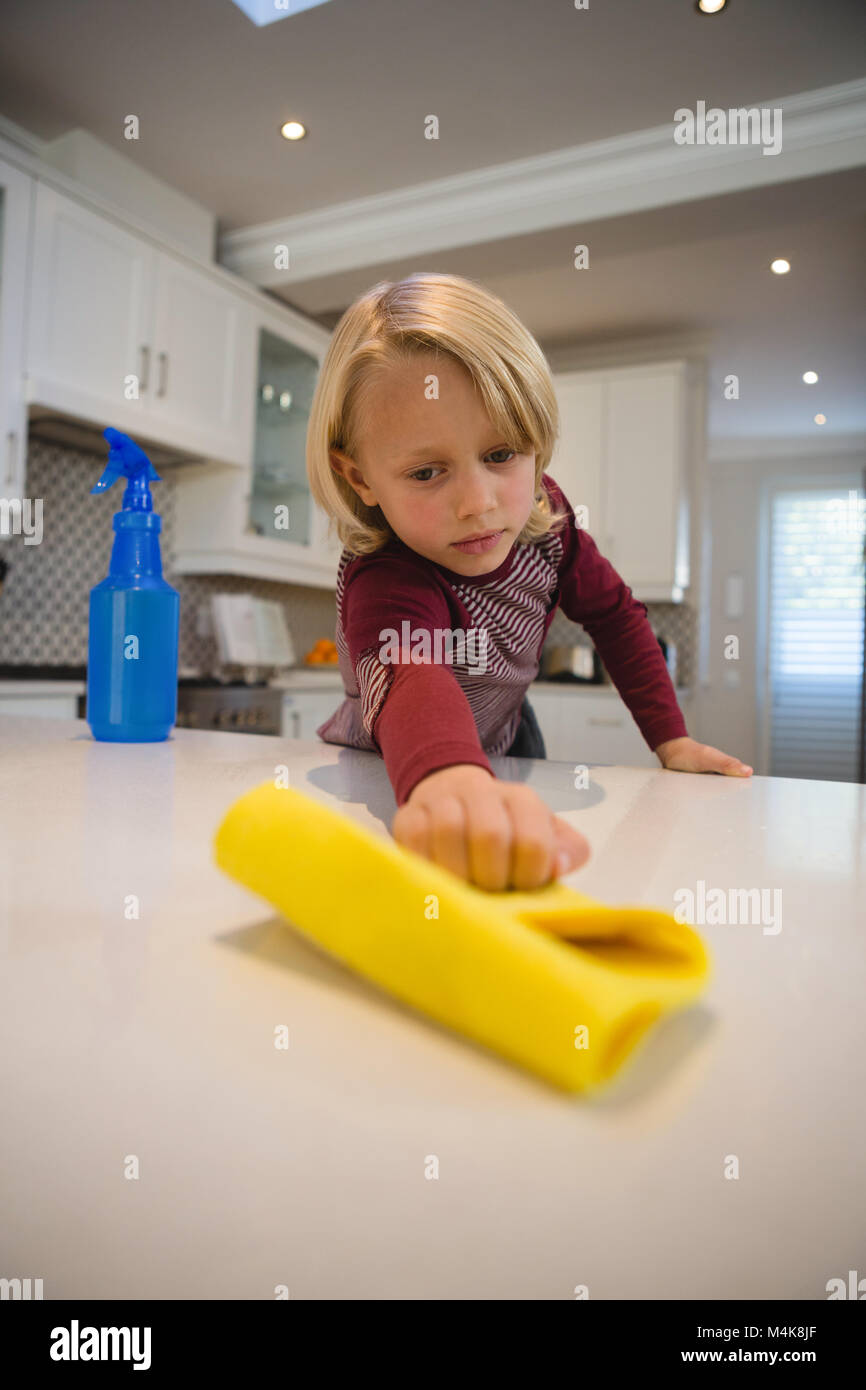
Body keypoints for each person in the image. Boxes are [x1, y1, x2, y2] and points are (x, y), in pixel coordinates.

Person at [307, 272, 752, 892]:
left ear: (536, 446)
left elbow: (617, 617)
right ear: (359, 478)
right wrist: (451, 778)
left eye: (500, 455)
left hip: (508, 737)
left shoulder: (550, 526)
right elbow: (414, 674)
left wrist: (671, 739)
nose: (478, 503)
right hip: (387, 765)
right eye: (428, 471)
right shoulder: (385, 578)